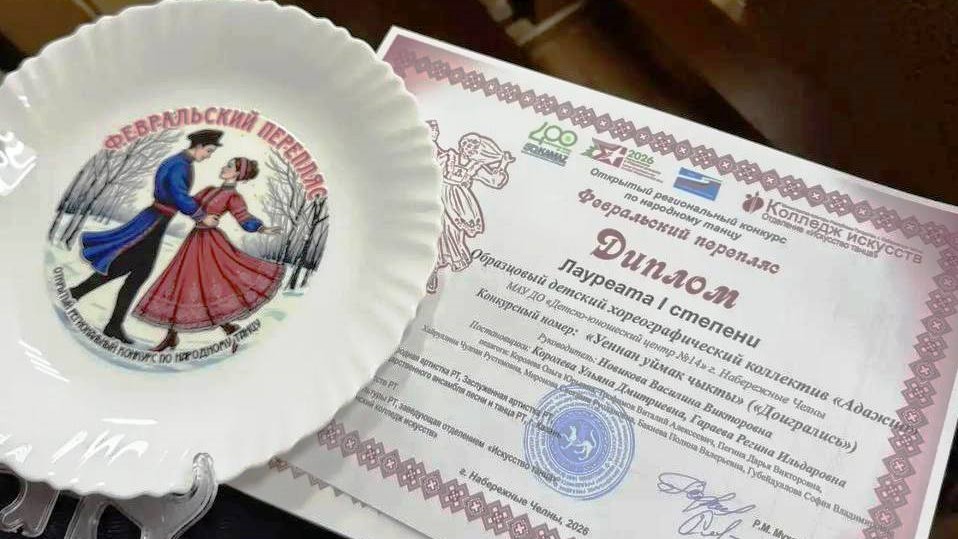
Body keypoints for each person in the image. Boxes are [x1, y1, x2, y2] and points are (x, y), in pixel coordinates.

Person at [70, 129, 224, 344]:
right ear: (198, 146)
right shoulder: (180, 165)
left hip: (156, 220)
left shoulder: (179, 162)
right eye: (208, 151)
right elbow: (179, 196)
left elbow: (178, 195)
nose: (208, 156)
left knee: (132, 270)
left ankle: (97, 310)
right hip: (154, 222)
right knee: (131, 270)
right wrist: (201, 216)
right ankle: (94, 308)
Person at [132, 157, 285, 352]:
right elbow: (187, 204)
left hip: (211, 244)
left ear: (237, 174)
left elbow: (243, 217)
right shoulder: (209, 190)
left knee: (209, 285)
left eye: (229, 166)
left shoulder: (233, 197)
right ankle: (174, 336)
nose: (224, 167)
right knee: (181, 282)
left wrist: (262, 228)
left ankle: (228, 328)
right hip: (194, 239)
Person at [426, 121, 515, 293]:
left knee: (450, 236)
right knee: (432, 233)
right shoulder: (449, 156)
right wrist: (432, 138)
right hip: (438, 195)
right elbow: (433, 160)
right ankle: (431, 271)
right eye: (466, 144)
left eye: (474, 146)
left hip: (458, 205)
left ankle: (435, 272)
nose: (469, 148)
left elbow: (495, 181)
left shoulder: (476, 166)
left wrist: (503, 163)